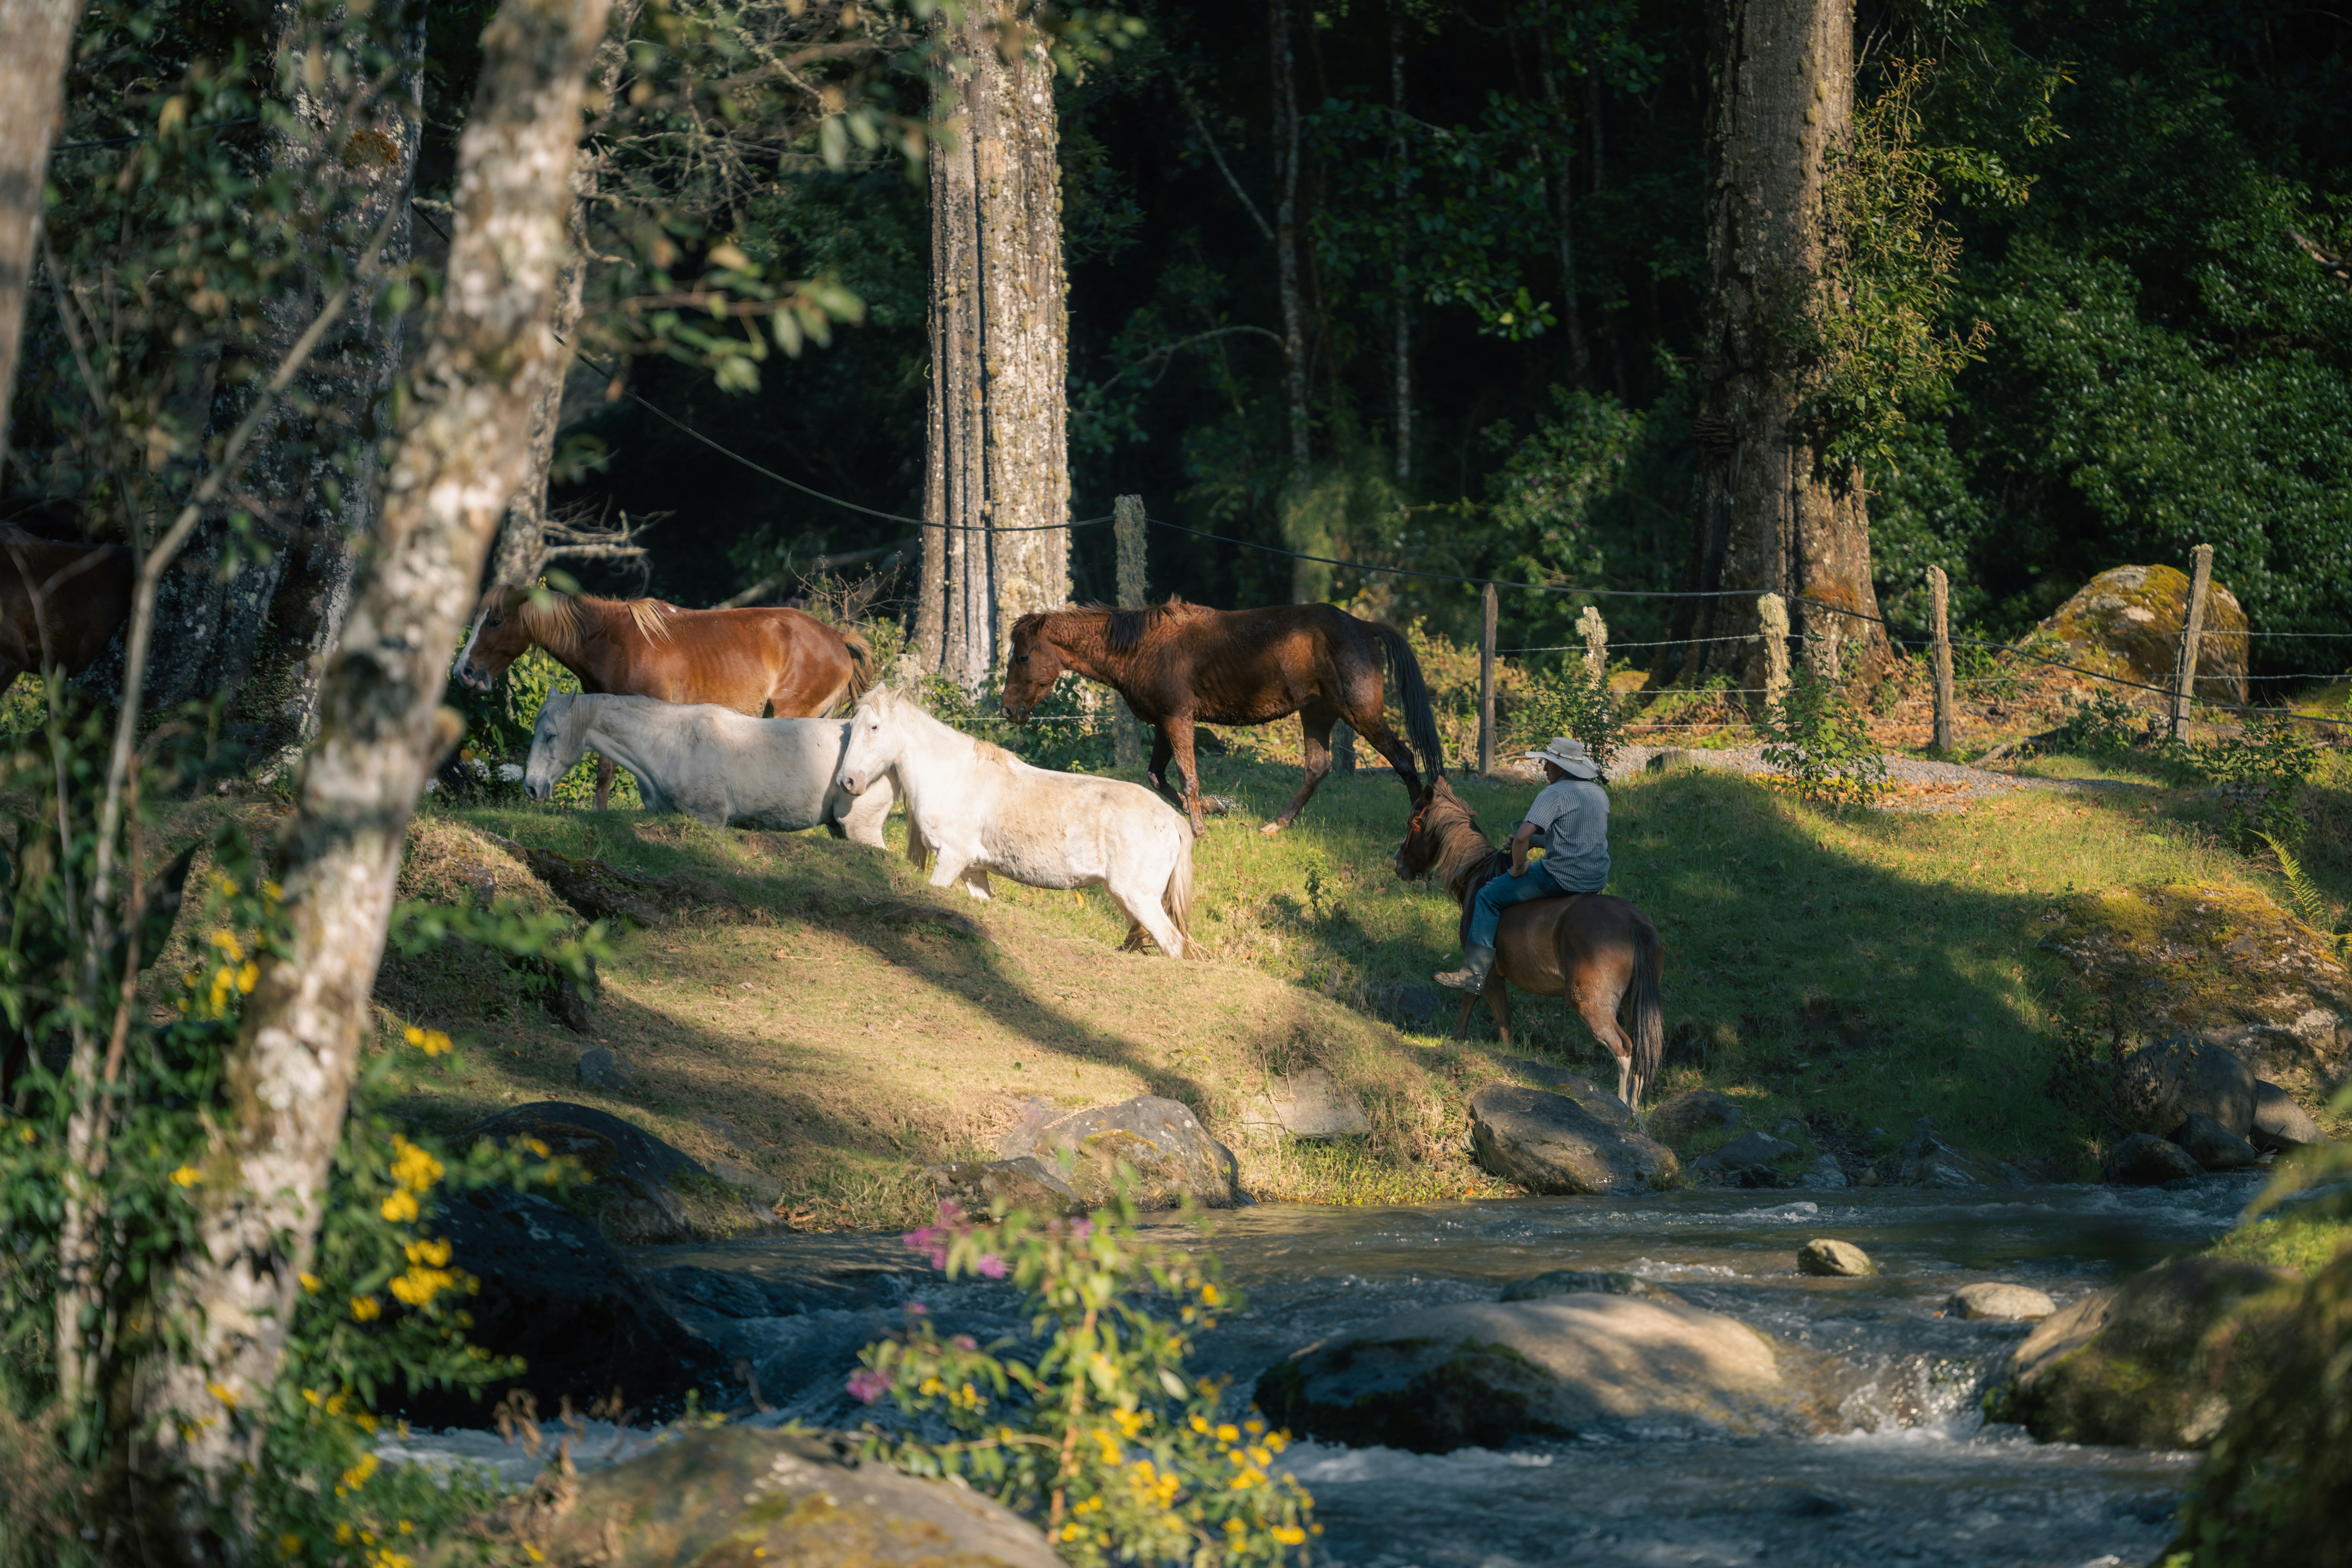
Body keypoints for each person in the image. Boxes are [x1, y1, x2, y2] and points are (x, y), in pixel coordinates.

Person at [1434, 735, 1609, 994]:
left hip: (1562, 877)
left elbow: (1522, 836)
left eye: (1547, 763)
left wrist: (1518, 867)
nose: (1543, 768)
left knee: (1487, 896)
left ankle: (1472, 974)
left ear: (1560, 767)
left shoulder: (1554, 794)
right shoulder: (1599, 793)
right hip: (1595, 878)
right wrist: (1535, 842)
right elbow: (1573, 836)